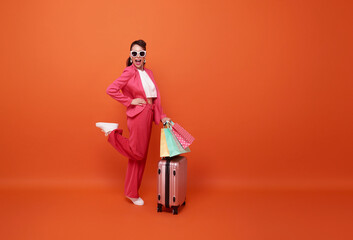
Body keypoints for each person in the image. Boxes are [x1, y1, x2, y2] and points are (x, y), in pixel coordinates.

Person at [96, 40, 170, 206]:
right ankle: (111, 133)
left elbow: (156, 98)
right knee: (138, 152)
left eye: (141, 53)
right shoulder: (129, 72)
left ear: (145, 56)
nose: (138, 56)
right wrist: (130, 101)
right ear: (130, 56)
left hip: (149, 113)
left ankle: (131, 192)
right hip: (139, 113)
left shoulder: (149, 73)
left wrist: (162, 116)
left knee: (138, 158)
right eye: (134, 53)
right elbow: (111, 89)